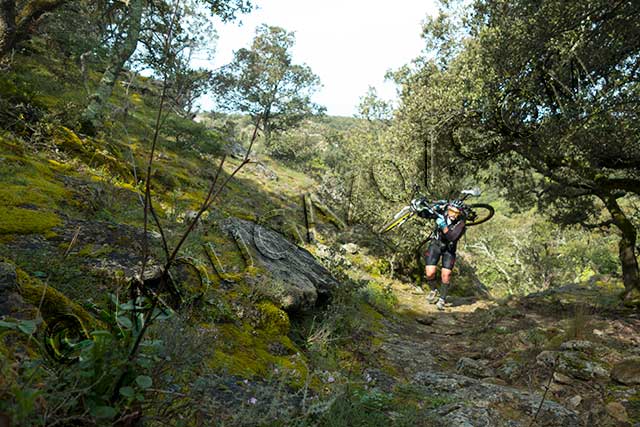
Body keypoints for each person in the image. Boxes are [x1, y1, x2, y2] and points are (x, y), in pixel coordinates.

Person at [416, 199, 466, 310]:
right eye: (451, 211)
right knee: (429, 273)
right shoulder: (443, 213)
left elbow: (452, 237)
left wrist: (443, 226)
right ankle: (433, 290)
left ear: (460, 213)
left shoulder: (461, 223)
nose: (452, 214)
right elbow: (426, 214)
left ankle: (442, 299)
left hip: (449, 249)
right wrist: (418, 209)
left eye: (456, 212)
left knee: (446, 275)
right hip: (436, 244)